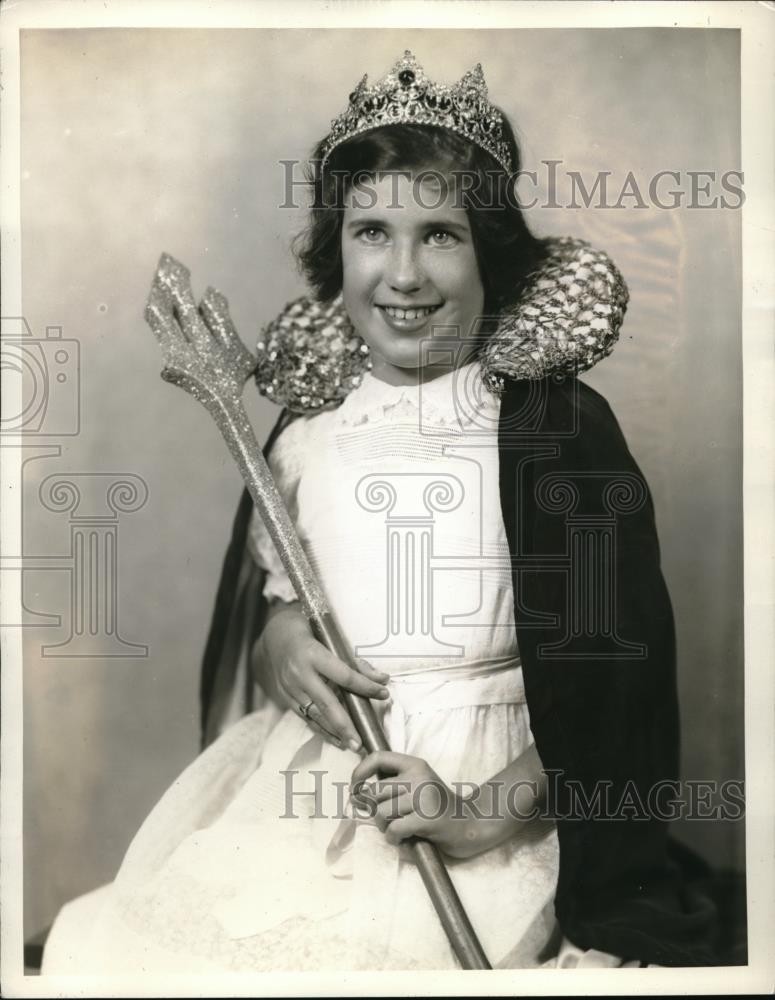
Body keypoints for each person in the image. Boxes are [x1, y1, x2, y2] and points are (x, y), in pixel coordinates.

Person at [42, 51, 718, 973]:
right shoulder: (306, 433)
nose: (402, 273)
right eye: (371, 231)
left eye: (439, 232)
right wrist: (278, 643)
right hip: (313, 787)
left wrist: (477, 820)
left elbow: (613, 701)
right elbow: (285, 596)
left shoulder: (552, 430)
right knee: (152, 955)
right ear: (336, 249)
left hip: (503, 797)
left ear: (491, 251)